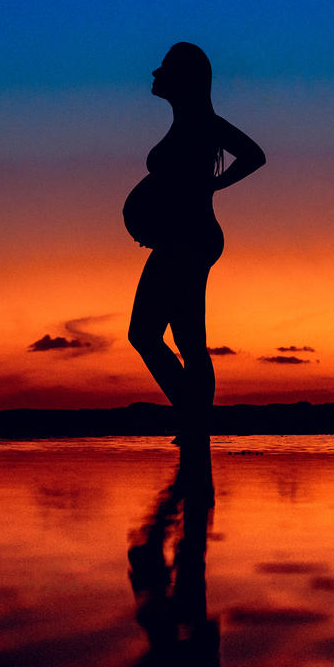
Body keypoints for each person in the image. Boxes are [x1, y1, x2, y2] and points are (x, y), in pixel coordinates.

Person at [125, 43, 265, 451]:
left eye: (164, 67)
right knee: (185, 340)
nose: (154, 72)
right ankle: (194, 424)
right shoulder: (187, 121)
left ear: (182, 78)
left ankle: (194, 421)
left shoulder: (203, 121)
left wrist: (212, 186)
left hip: (189, 239)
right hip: (182, 238)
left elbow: (254, 155)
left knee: (145, 334)